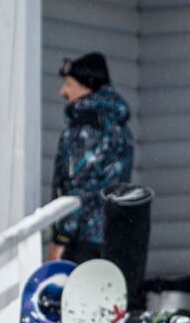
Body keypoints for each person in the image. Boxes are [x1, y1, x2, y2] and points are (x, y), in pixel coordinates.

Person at [48, 53, 135, 267]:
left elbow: (77, 188)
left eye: (69, 84)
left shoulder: (85, 129)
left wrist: (61, 239)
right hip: (115, 238)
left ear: (87, 87)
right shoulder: (119, 128)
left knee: (76, 300)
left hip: (83, 242)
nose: (63, 92)